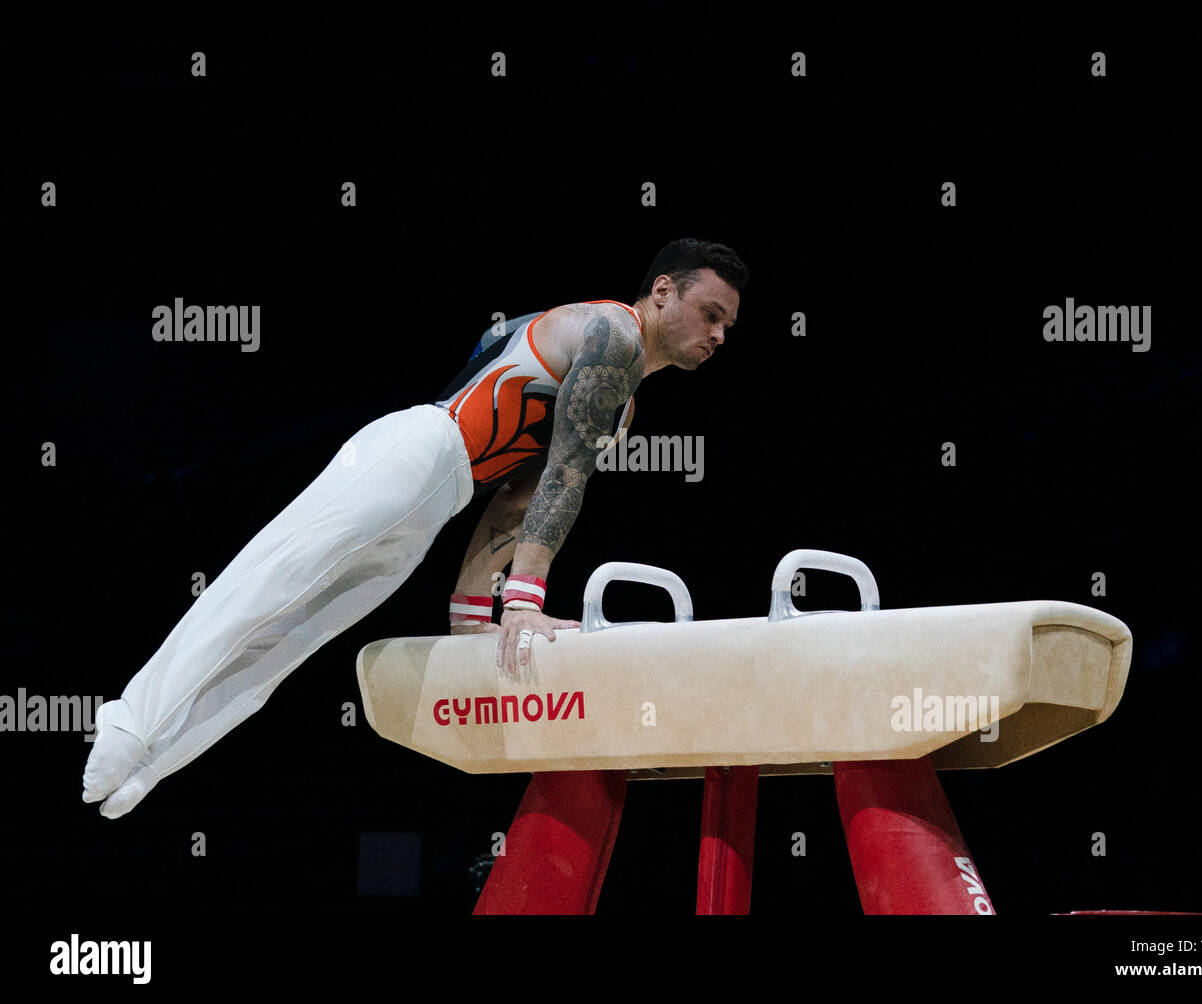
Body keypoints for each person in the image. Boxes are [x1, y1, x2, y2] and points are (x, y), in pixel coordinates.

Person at [81, 237, 747, 818]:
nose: (718, 335)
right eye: (710, 313)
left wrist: (471, 612)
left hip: (439, 500)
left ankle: (156, 761)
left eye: (728, 327)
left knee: (291, 638)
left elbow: (519, 497)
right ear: (664, 291)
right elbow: (564, 476)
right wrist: (523, 604)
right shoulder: (613, 334)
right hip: (418, 451)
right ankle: (130, 722)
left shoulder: (622, 405)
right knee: (265, 588)